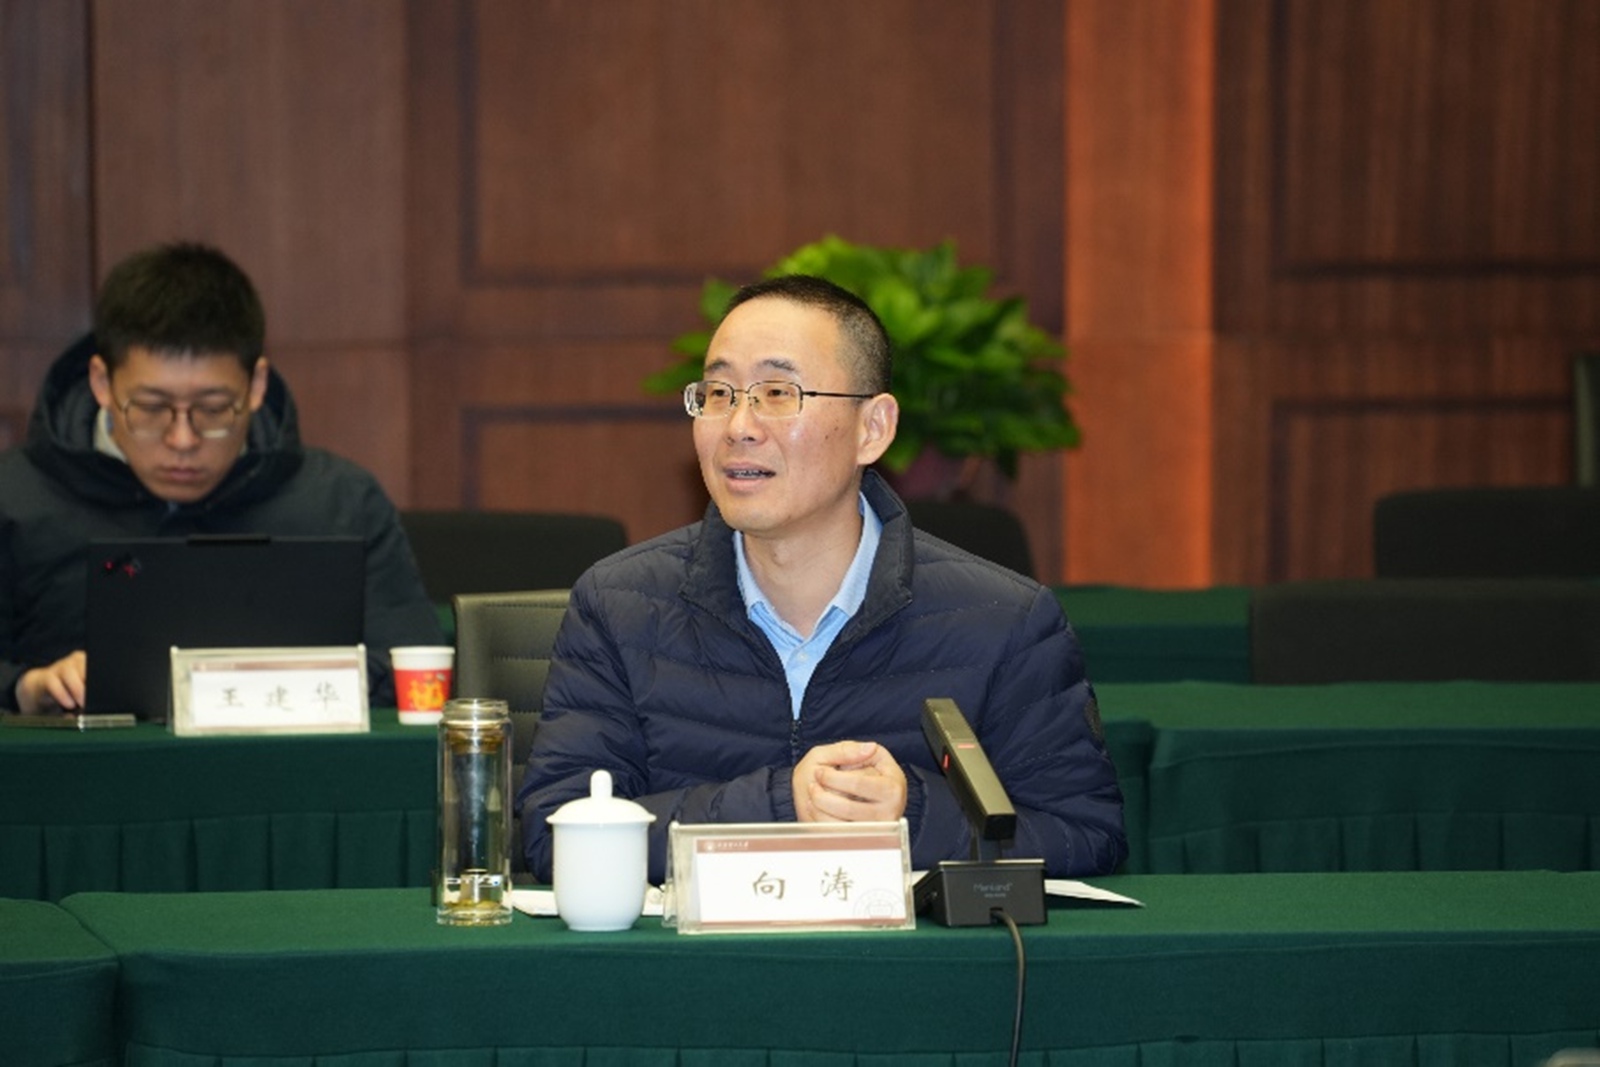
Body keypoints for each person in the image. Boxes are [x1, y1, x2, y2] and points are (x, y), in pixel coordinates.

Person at [517, 274, 1125, 884]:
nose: (739, 425)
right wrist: (782, 807)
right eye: (719, 393)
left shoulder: (1004, 620)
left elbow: (1086, 835)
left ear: (873, 429)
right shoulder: (620, 606)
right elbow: (553, 834)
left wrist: (911, 816)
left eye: (778, 393)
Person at [0, 241, 442, 713]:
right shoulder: (16, 497)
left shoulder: (339, 502)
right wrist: (24, 688)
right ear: (102, 383)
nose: (183, 439)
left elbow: (412, 668)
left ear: (255, 386)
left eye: (213, 410)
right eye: (150, 408)